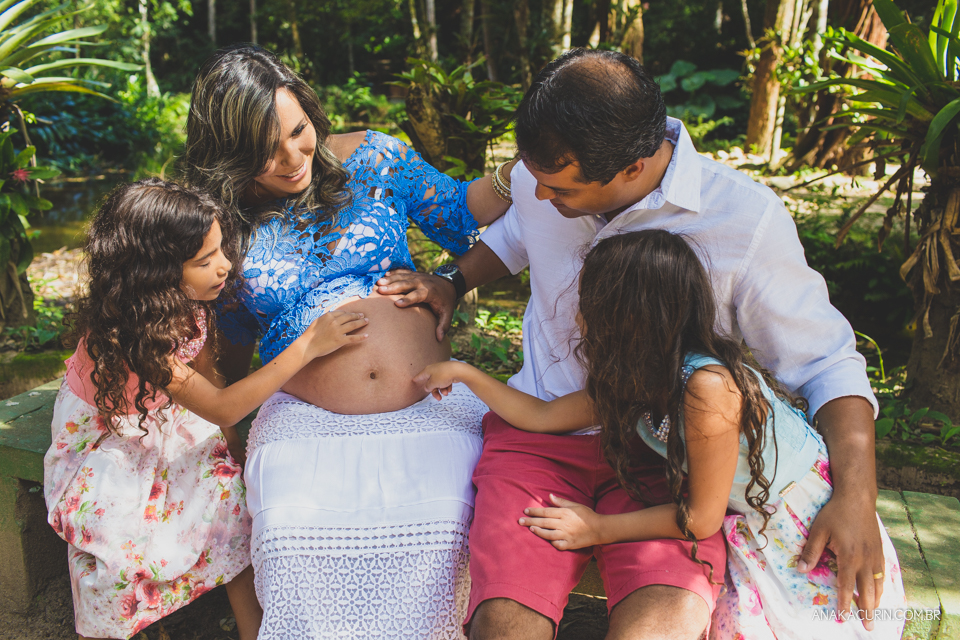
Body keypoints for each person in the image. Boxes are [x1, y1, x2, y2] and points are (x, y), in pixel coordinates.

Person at [378, 48, 887, 639]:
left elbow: (826, 362)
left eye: (559, 188)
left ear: (631, 168)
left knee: (659, 629)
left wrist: (856, 496)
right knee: (505, 626)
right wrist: (454, 280)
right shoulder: (544, 173)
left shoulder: (744, 222)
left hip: (665, 460)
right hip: (538, 441)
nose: (539, 196)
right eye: (533, 179)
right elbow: (519, 231)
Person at [414, 230, 906, 640]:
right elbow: (545, 417)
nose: (578, 313)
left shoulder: (706, 390)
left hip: (791, 533)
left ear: (627, 318)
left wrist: (595, 529)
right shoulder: (640, 371)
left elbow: (699, 519)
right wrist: (465, 374)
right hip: (748, 517)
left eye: (589, 301)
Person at [182, 45, 513, 639]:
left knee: (450, 520)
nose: (290, 159)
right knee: (286, 532)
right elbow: (225, 358)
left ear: (311, 112)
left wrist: (512, 181)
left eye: (298, 132)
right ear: (230, 157)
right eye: (264, 152)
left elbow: (464, 210)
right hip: (303, 418)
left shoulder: (378, 158)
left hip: (430, 405)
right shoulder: (222, 226)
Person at [43, 179, 369, 640]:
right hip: (107, 438)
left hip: (166, 416)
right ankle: (102, 630)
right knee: (117, 547)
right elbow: (220, 405)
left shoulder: (186, 301)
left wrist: (232, 449)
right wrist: (308, 345)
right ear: (155, 274)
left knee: (233, 503)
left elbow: (209, 376)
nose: (224, 266)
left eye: (221, 251)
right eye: (205, 260)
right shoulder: (135, 333)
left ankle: (256, 630)